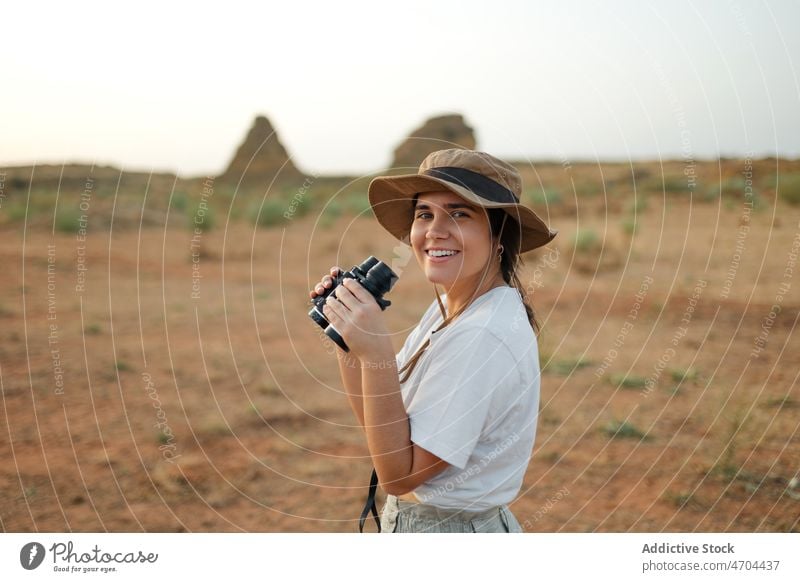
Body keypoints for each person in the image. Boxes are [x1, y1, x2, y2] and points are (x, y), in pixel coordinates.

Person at [309, 149, 558, 533]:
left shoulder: (481, 335)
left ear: (499, 237)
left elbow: (399, 475)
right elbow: (385, 436)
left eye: (460, 214)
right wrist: (348, 338)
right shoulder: (452, 308)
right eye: (424, 214)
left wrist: (375, 348)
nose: (435, 230)